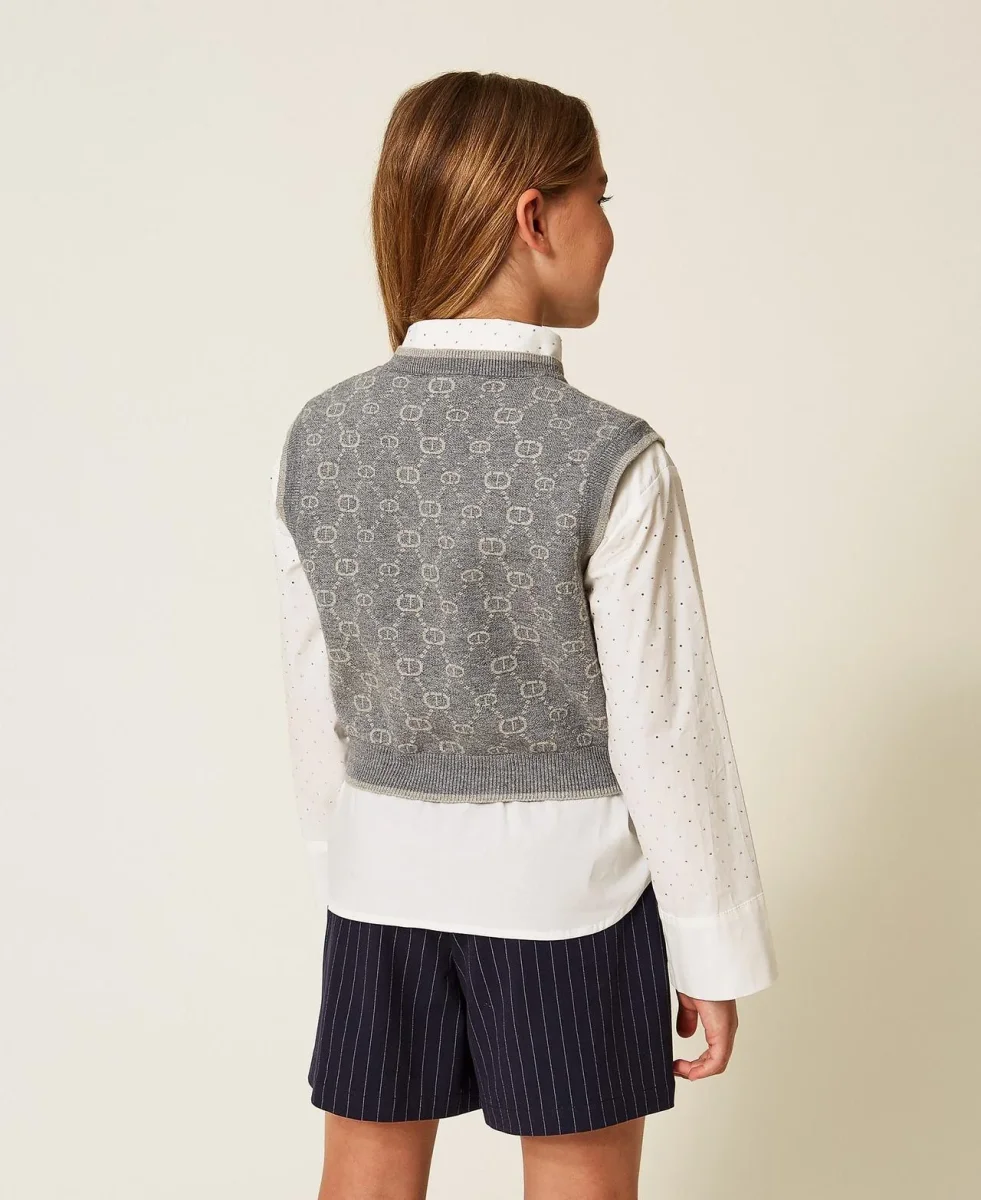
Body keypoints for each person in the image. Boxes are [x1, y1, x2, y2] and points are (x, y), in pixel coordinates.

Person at [271, 70, 778, 1200]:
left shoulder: (317, 438)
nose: (611, 232)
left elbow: (317, 699)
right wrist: (710, 941)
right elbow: (664, 725)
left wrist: (342, 863)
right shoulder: (610, 456)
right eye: (602, 198)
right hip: (568, 891)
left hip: (380, 880)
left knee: (362, 1175)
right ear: (534, 217)